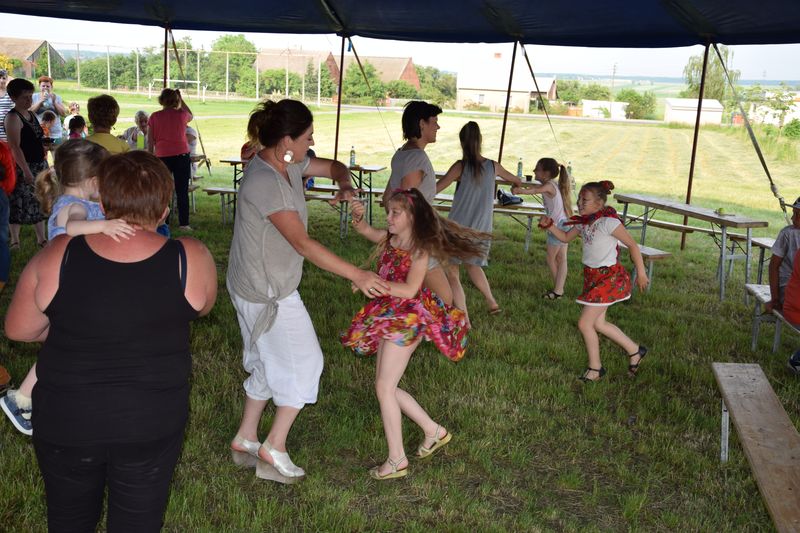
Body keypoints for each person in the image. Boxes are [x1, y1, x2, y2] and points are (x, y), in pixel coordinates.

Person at [3, 150, 217, 531]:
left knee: (68, 519)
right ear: (165, 209)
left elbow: (19, 330)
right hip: (149, 421)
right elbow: (199, 307)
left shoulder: (58, 254)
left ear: (102, 202)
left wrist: (82, 324)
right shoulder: (191, 257)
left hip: (66, 418)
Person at [227, 99, 389, 484]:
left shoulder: (288, 164)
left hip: (256, 284)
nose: (311, 142)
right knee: (306, 365)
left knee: (267, 360)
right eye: (307, 137)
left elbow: (333, 167)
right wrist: (358, 273)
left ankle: (246, 438)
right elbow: (302, 243)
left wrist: (346, 186)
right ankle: (274, 448)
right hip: (267, 291)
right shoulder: (266, 181)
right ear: (287, 140)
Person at [341, 189, 488, 479]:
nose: (389, 217)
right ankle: (433, 431)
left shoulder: (421, 249)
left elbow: (409, 290)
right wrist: (358, 220)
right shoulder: (392, 238)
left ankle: (397, 460)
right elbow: (370, 232)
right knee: (386, 386)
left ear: (412, 217)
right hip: (392, 316)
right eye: (388, 212)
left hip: (408, 319)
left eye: (395, 213)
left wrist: (373, 283)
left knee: (384, 388)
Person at [2, 140, 135, 436]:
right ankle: (22, 398)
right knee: (65, 345)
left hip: (71, 285)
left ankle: (34, 396)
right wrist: (105, 227)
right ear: (93, 181)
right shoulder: (77, 207)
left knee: (65, 345)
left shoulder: (72, 202)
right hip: (70, 288)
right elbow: (73, 228)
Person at [541, 180, 649, 382]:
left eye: (585, 200)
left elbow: (633, 246)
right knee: (598, 323)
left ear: (599, 204)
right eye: (579, 198)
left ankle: (595, 369)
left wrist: (641, 273)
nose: (580, 203)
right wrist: (550, 226)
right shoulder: (583, 223)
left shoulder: (609, 222)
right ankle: (635, 351)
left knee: (584, 323)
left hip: (609, 278)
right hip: (592, 278)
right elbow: (564, 237)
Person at [436, 121, 524, 320]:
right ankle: (491, 300)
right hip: (482, 227)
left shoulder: (460, 167)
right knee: (473, 265)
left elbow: (436, 188)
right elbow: (516, 180)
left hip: (456, 227)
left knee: (452, 272)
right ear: (480, 141)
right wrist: (515, 187)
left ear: (462, 143)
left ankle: (464, 318)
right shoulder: (493, 166)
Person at [383, 100, 453, 304]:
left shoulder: (403, 153)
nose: (438, 126)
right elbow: (404, 203)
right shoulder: (416, 158)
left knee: (417, 299)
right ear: (422, 124)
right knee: (444, 300)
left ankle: (410, 332)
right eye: (435, 121)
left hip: (410, 239)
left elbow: (388, 197)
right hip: (416, 240)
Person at [513, 157, 574, 300]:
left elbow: (534, 190)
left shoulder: (549, 186)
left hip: (557, 225)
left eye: (537, 169)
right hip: (564, 223)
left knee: (551, 258)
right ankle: (559, 289)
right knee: (561, 258)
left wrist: (519, 190)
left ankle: (558, 290)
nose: (534, 171)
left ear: (546, 174)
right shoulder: (554, 184)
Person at [4, 78, 48, 248]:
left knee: (38, 202)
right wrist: (26, 171)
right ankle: (15, 240)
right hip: (23, 166)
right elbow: (15, 147)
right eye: (25, 97)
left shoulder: (30, 114)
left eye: (30, 96)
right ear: (13, 98)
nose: (29, 100)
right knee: (18, 202)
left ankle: (41, 239)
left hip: (38, 163)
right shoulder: (13, 117)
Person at [148, 88, 193, 231]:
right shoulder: (182, 115)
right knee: (182, 190)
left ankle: (163, 221)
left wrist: (150, 157)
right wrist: (181, 98)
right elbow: (191, 114)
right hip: (181, 155)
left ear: (161, 100)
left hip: (162, 156)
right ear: (176, 100)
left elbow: (150, 140)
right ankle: (184, 223)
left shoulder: (155, 116)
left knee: (163, 190)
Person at [766, 197, 800, 314]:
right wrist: (774, 298)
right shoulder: (788, 234)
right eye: (794, 213)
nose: (792, 218)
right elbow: (773, 267)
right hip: (789, 286)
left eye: (798, 214)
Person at [0, 68, 12, 141]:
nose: (1, 80)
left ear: (7, 79)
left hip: (8, 129)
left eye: (3, 78)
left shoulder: (11, 93)